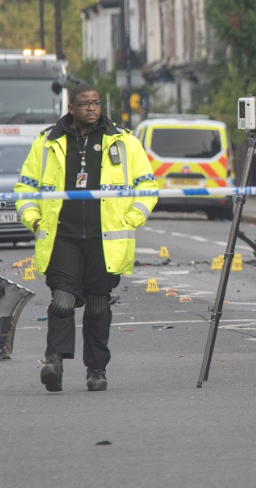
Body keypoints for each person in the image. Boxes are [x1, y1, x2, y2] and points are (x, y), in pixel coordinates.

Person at [15, 83, 155, 393]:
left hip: (104, 239)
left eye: (95, 103)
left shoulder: (124, 142)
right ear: (71, 109)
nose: (91, 108)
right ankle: (54, 361)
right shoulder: (47, 142)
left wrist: (131, 218)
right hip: (62, 236)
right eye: (84, 104)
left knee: (97, 307)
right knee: (62, 300)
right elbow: (25, 188)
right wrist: (34, 219)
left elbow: (147, 186)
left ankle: (96, 370)